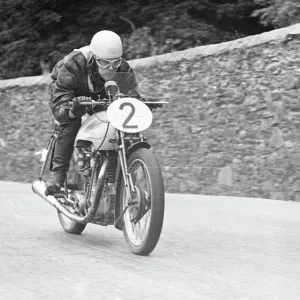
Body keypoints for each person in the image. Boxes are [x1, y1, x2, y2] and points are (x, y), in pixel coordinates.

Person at [45, 30, 155, 196]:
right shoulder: (72, 65)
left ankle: (125, 174)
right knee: (70, 122)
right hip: (73, 95)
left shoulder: (122, 67)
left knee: (119, 120)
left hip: (101, 96)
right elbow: (60, 106)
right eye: (104, 63)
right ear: (94, 58)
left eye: (115, 62)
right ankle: (58, 174)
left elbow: (130, 93)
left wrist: (139, 100)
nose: (111, 68)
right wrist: (73, 109)